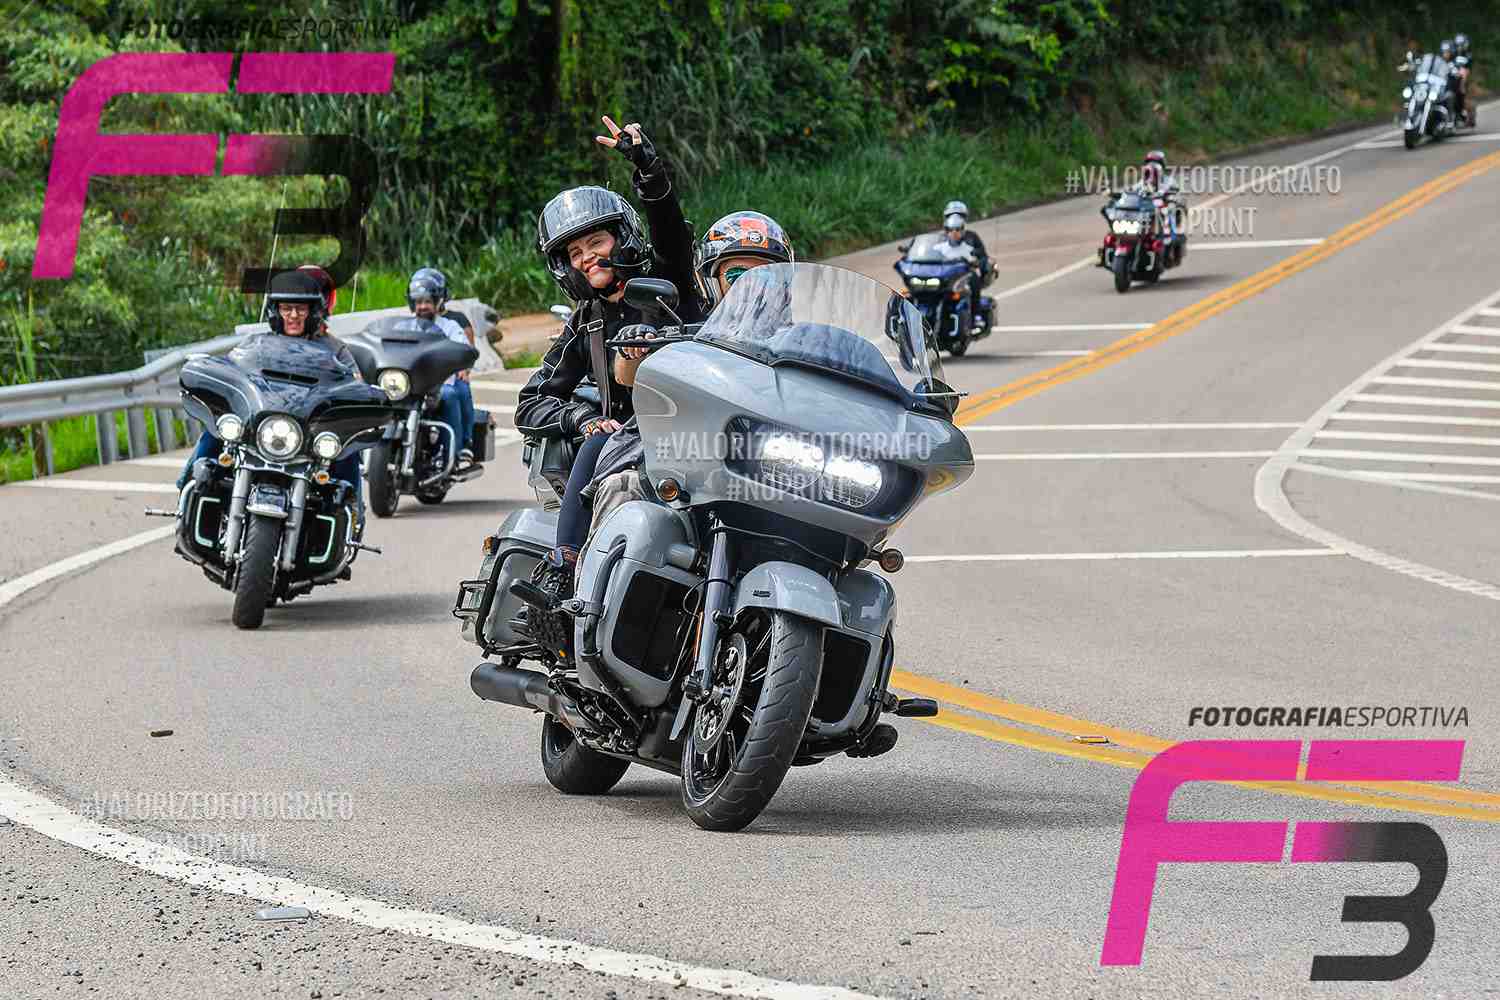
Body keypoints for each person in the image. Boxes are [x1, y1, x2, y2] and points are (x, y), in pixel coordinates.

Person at [515, 115, 703, 591]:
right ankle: (564, 569)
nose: (587, 258)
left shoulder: (668, 283)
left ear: (622, 237)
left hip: (700, 430)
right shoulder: (588, 320)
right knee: (597, 444)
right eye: (575, 253)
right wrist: (581, 419)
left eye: (596, 241)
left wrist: (647, 169)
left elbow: (670, 233)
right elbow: (530, 401)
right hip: (627, 446)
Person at [176, 268, 366, 523]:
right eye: (287, 308)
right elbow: (232, 370)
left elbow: (356, 384)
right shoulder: (256, 343)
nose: (293, 315)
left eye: (301, 309)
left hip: (308, 432)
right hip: (261, 425)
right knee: (218, 428)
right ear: (276, 311)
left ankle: (352, 513)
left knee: (345, 448)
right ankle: (189, 488)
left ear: (314, 311)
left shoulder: (336, 350)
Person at [408, 267, 477, 467]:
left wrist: (461, 365)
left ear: (438, 302)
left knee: (451, 394)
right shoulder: (405, 327)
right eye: (418, 302)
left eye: (427, 302)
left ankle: (454, 453)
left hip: (441, 384)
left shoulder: (450, 327)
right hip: (410, 386)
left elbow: (464, 349)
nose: (422, 307)